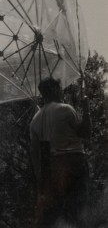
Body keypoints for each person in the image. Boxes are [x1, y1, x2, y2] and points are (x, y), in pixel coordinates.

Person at [30, 77, 91, 227]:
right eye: (60, 89)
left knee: (59, 212)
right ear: (55, 90)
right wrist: (86, 109)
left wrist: (41, 180)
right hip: (74, 162)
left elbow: (36, 154)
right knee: (78, 208)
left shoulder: (35, 120)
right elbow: (86, 133)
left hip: (53, 169)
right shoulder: (65, 109)